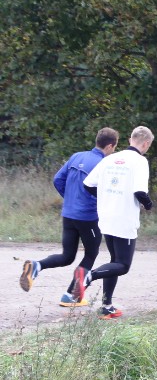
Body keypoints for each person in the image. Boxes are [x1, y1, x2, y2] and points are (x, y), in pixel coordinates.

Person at [19, 128, 119, 307]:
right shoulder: (104, 164)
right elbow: (106, 192)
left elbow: (57, 179)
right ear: (110, 146)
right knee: (91, 253)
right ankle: (71, 296)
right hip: (88, 216)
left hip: (68, 213)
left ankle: (36, 266)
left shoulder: (76, 156)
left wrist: (70, 199)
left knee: (67, 256)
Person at [80, 126, 154, 319]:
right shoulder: (140, 161)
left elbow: (88, 184)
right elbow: (140, 192)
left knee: (114, 261)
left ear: (130, 139)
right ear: (146, 143)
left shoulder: (109, 159)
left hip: (106, 216)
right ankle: (89, 275)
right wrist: (148, 205)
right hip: (124, 219)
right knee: (123, 265)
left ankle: (106, 305)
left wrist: (106, 197)